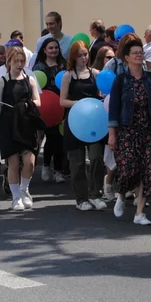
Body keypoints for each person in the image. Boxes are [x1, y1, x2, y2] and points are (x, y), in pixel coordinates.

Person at [107, 35, 151, 225]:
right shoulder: (121, 80)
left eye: (141, 53)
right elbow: (114, 108)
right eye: (135, 53)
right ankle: (122, 195)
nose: (139, 56)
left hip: (148, 130)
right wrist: (112, 133)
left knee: (147, 170)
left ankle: (139, 213)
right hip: (127, 130)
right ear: (126, 57)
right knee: (128, 170)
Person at [0, 46, 43, 211]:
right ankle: (16, 197)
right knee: (12, 163)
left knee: (30, 162)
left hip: (26, 123)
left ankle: (24, 189)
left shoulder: (30, 79)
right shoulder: (2, 81)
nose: (19, 64)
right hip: (8, 124)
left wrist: (27, 104)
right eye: (16, 61)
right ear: (9, 61)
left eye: (22, 61)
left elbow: (38, 101)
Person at [60, 40, 107, 211]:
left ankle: (96, 193)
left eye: (85, 54)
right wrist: (81, 104)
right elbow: (62, 101)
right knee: (77, 162)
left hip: (94, 123)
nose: (83, 58)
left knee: (96, 157)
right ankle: (81, 198)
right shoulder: (68, 76)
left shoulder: (95, 73)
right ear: (73, 57)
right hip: (75, 123)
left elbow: (102, 95)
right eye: (79, 55)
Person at [34, 37, 68, 183]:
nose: (54, 50)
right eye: (50, 48)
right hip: (45, 107)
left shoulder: (64, 65)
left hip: (61, 106)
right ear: (44, 50)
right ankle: (47, 165)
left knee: (59, 138)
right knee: (49, 137)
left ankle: (58, 171)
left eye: (56, 48)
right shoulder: (39, 67)